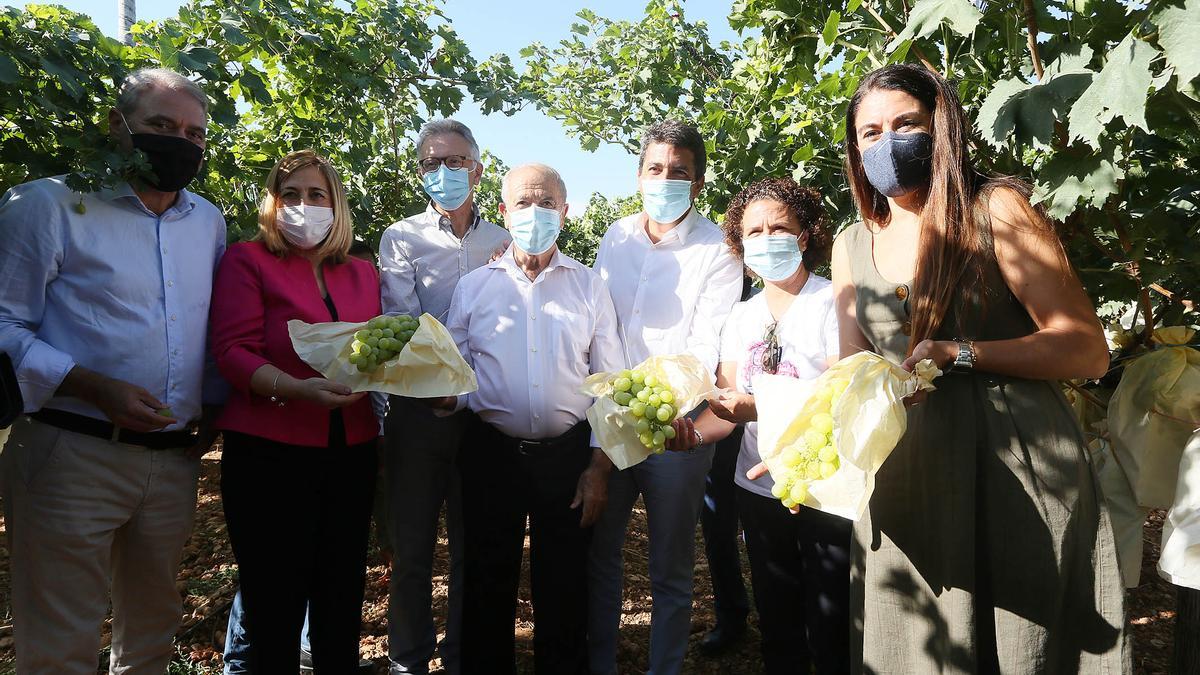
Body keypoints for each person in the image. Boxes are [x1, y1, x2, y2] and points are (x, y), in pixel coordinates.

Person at [831, 63, 1128, 672]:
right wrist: (802, 444)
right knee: (916, 643)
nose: (887, 143)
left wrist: (960, 353)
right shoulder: (849, 242)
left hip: (1020, 465)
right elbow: (851, 371)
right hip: (906, 478)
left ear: (941, 128)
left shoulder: (996, 208)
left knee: (1024, 643)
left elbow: (1085, 349)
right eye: (869, 133)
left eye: (905, 123)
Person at [0, 68, 225, 673]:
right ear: (114, 126)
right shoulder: (48, 204)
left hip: (174, 459)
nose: (180, 142)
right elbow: (3, 326)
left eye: (195, 134)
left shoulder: (207, 221)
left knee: (152, 634)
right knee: (60, 643)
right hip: (71, 451)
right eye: (160, 125)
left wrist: (213, 407)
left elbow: (211, 327)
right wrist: (92, 386)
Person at [426, 163, 622, 674]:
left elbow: (611, 385)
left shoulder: (588, 287)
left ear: (564, 211)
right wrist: (448, 398)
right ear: (503, 212)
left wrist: (598, 468)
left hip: (569, 457)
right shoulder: (474, 289)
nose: (534, 214)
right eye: (523, 203)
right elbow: (459, 373)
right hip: (492, 454)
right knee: (487, 582)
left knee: (564, 587)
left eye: (546, 203)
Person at [209, 149, 381, 671]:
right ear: (272, 202)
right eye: (290, 195)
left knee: (341, 591)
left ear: (336, 206)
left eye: (316, 195)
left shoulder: (362, 273)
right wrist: (295, 389)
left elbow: (376, 350)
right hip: (270, 452)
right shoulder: (248, 260)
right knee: (274, 599)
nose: (303, 205)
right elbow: (232, 351)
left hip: (351, 449)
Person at [670, 178, 850, 674]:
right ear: (740, 243)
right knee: (778, 616)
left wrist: (759, 407)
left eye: (779, 228)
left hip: (822, 487)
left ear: (805, 235)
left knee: (831, 619)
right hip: (758, 486)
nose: (766, 238)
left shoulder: (833, 302)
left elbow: (842, 395)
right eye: (754, 231)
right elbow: (727, 409)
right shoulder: (741, 317)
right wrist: (685, 434)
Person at [588, 119, 743, 675]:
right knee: (602, 562)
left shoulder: (718, 249)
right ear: (638, 176)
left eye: (680, 172)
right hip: (610, 423)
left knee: (671, 569)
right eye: (656, 168)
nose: (666, 179)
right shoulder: (616, 237)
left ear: (697, 183)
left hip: (676, 429)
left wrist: (675, 410)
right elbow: (600, 327)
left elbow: (707, 341)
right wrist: (608, 416)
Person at [377, 118, 510, 675]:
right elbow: (403, 324)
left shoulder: (502, 241)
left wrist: (472, 390)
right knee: (411, 549)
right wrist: (439, 388)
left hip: (480, 413)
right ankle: (409, 657)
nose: (443, 172)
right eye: (431, 164)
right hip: (421, 413)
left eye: (454, 162)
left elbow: (509, 323)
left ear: (477, 170)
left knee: (469, 547)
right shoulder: (400, 238)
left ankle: (461, 655)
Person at [696, 275, 755, 657]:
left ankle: (786, 617)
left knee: (763, 522)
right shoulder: (701, 280)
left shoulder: (751, 296)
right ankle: (731, 614)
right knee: (717, 525)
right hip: (713, 419)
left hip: (758, 420)